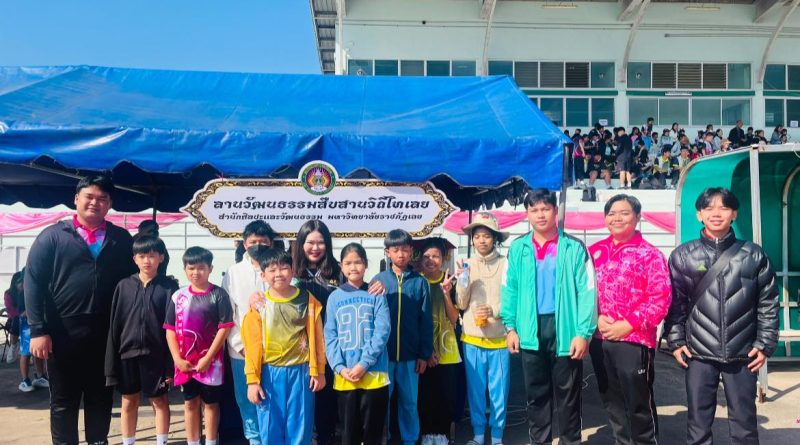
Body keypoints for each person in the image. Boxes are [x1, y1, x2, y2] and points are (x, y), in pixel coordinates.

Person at [25, 175, 136, 445]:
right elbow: (33, 282)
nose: (95, 203)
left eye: (102, 199)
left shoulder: (121, 239)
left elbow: (134, 283)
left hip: (106, 335)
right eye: (89, 196)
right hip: (62, 334)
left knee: (101, 397)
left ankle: (98, 441)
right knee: (64, 400)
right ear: (76, 198)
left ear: (110, 204)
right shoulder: (53, 236)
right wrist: (38, 330)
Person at [666, 188, 779, 445]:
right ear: (699, 215)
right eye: (709, 208)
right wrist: (676, 341)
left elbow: (768, 303)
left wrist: (765, 344)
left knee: (744, 424)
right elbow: (676, 303)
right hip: (698, 352)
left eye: (724, 208)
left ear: (734, 214)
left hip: (743, 353)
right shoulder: (683, 255)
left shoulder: (753, 254)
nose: (716, 213)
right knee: (698, 424)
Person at [500, 189, 597, 445]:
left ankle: (570, 442)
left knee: (569, 397)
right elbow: (509, 289)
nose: (540, 214)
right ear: (527, 214)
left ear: (555, 211)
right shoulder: (518, 248)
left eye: (545, 209)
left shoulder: (574, 247)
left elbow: (587, 292)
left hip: (566, 330)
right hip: (529, 330)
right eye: (534, 210)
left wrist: (583, 333)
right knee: (536, 396)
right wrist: (510, 327)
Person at [589, 195, 671, 445]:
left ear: (637, 217)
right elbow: (583, 292)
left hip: (635, 340)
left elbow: (660, 298)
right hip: (600, 337)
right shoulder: (594, 252)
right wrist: (595, 318)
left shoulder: (650, 254)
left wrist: (628, 325)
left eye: (624, 213)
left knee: (638, 402)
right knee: (612, 401)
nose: (617, 218)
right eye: (612, 213)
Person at [241, 247, 326, 445]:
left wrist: (319, 371)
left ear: (293, 271)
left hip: (301, 372)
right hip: (269, 373)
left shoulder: (307, 300)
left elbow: (317, 338)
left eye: (284, 268)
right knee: (270, 424)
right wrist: (252, 381)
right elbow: (252, 346)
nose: (278, 273)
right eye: (272, 270)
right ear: (263, 275)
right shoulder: (259, 305)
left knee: (300, 424)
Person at [105, 235, 178, 445]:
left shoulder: (169, 288)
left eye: (152, 256)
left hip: (157, 355)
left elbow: (174, 328)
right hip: (127, 354)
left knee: (159, 400)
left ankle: (162, 441)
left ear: (161, 258)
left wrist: (170, 365)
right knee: (129, 400)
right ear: (135, 259)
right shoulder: (123, 286)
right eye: (142, 256)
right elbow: (115, 325)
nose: (147, 260)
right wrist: (112, 363)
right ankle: (128, 441)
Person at [164, 247, 234, 445]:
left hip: (212, 363)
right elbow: (170, 330)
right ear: (185, 269)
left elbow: (225, 328)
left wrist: (208, 358)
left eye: (201, 268)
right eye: (191, 268)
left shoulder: (219, 294)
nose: (196, 272)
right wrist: (177, 359)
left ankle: (211, 441)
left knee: (211, 405)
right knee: (190, 403)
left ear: (210, 269)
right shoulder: (178, 296)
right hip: (185, 363)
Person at [324, 243, 390, 445]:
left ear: (366, 264)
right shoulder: (334, 297)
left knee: (373, 431)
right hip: (345, 376)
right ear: (341, 266)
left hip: (374, 374)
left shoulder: (376, 294)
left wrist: (364, 364)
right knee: (348, 432)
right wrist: (339, 366)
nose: (353, 267)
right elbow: (330, 335)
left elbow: (382, 331)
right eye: (348, 263)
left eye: (358, 262)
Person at [373, 229, 433, 445]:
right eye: (396, 249)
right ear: (387, 252)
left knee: (409, 402)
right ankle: (384, 438)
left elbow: (426, 321)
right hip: (383, 357)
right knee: (382, 402)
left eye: (405, 249)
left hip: (410, 356)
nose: (401, 254)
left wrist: (424, 354)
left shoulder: (419, 282)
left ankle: (410, 439)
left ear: (411, 252)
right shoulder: (378, 281)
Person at [456, 213, 511, 445]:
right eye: (477, 236)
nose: (481, 240)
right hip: (472, 338)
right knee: (476, 391)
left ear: (495, 238)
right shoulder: (467, 264)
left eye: (486, 236)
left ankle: (497, 437)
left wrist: (494, 310)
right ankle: (478, 435)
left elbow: (513, 298)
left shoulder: (506, 264)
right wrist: (463, 281)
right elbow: (461, 304)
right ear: (472, 239)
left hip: (499, 339)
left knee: (499, 392)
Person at [222, 220, 277, 445]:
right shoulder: (233, 273)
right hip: (241, 352)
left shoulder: (278, 270)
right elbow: (229, 314)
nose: (257, 245)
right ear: (244, 244)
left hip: (276, 351)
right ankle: (254, 440)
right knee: (247, 400)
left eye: (263, 241)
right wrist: (240, 346)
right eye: (253, 241)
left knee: (273, 399)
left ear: (271, 243)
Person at [417, 239, 462, 445]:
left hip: (447, 349)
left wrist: (446, 293)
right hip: (422, 351)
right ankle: (426, 434)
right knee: (424, 395)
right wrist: (425, 351)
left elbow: (454, 319)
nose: (431, 260)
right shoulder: (416, 282)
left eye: (435, 256)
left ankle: (443, 434)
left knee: (445, 395)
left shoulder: (450, 281)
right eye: (426, 256)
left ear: (443, 259)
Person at [9, 269, 49, 392]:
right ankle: (25, 380)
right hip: (26, 325)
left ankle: (40, 376)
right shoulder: (23, 293)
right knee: (26, 353)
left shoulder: (38, 290)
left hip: (36, 324)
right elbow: (22, 312)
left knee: (38, 351)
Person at [3, 270, 22, 364]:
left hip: (26, 319)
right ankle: (14, 345)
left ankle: (27, 350)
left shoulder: (27, 292)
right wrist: (21, 313)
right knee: (16, 319)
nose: (22, 283)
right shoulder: (8, 294)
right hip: (13, 321)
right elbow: (10, 310)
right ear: (15, 282)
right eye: (20, 281)